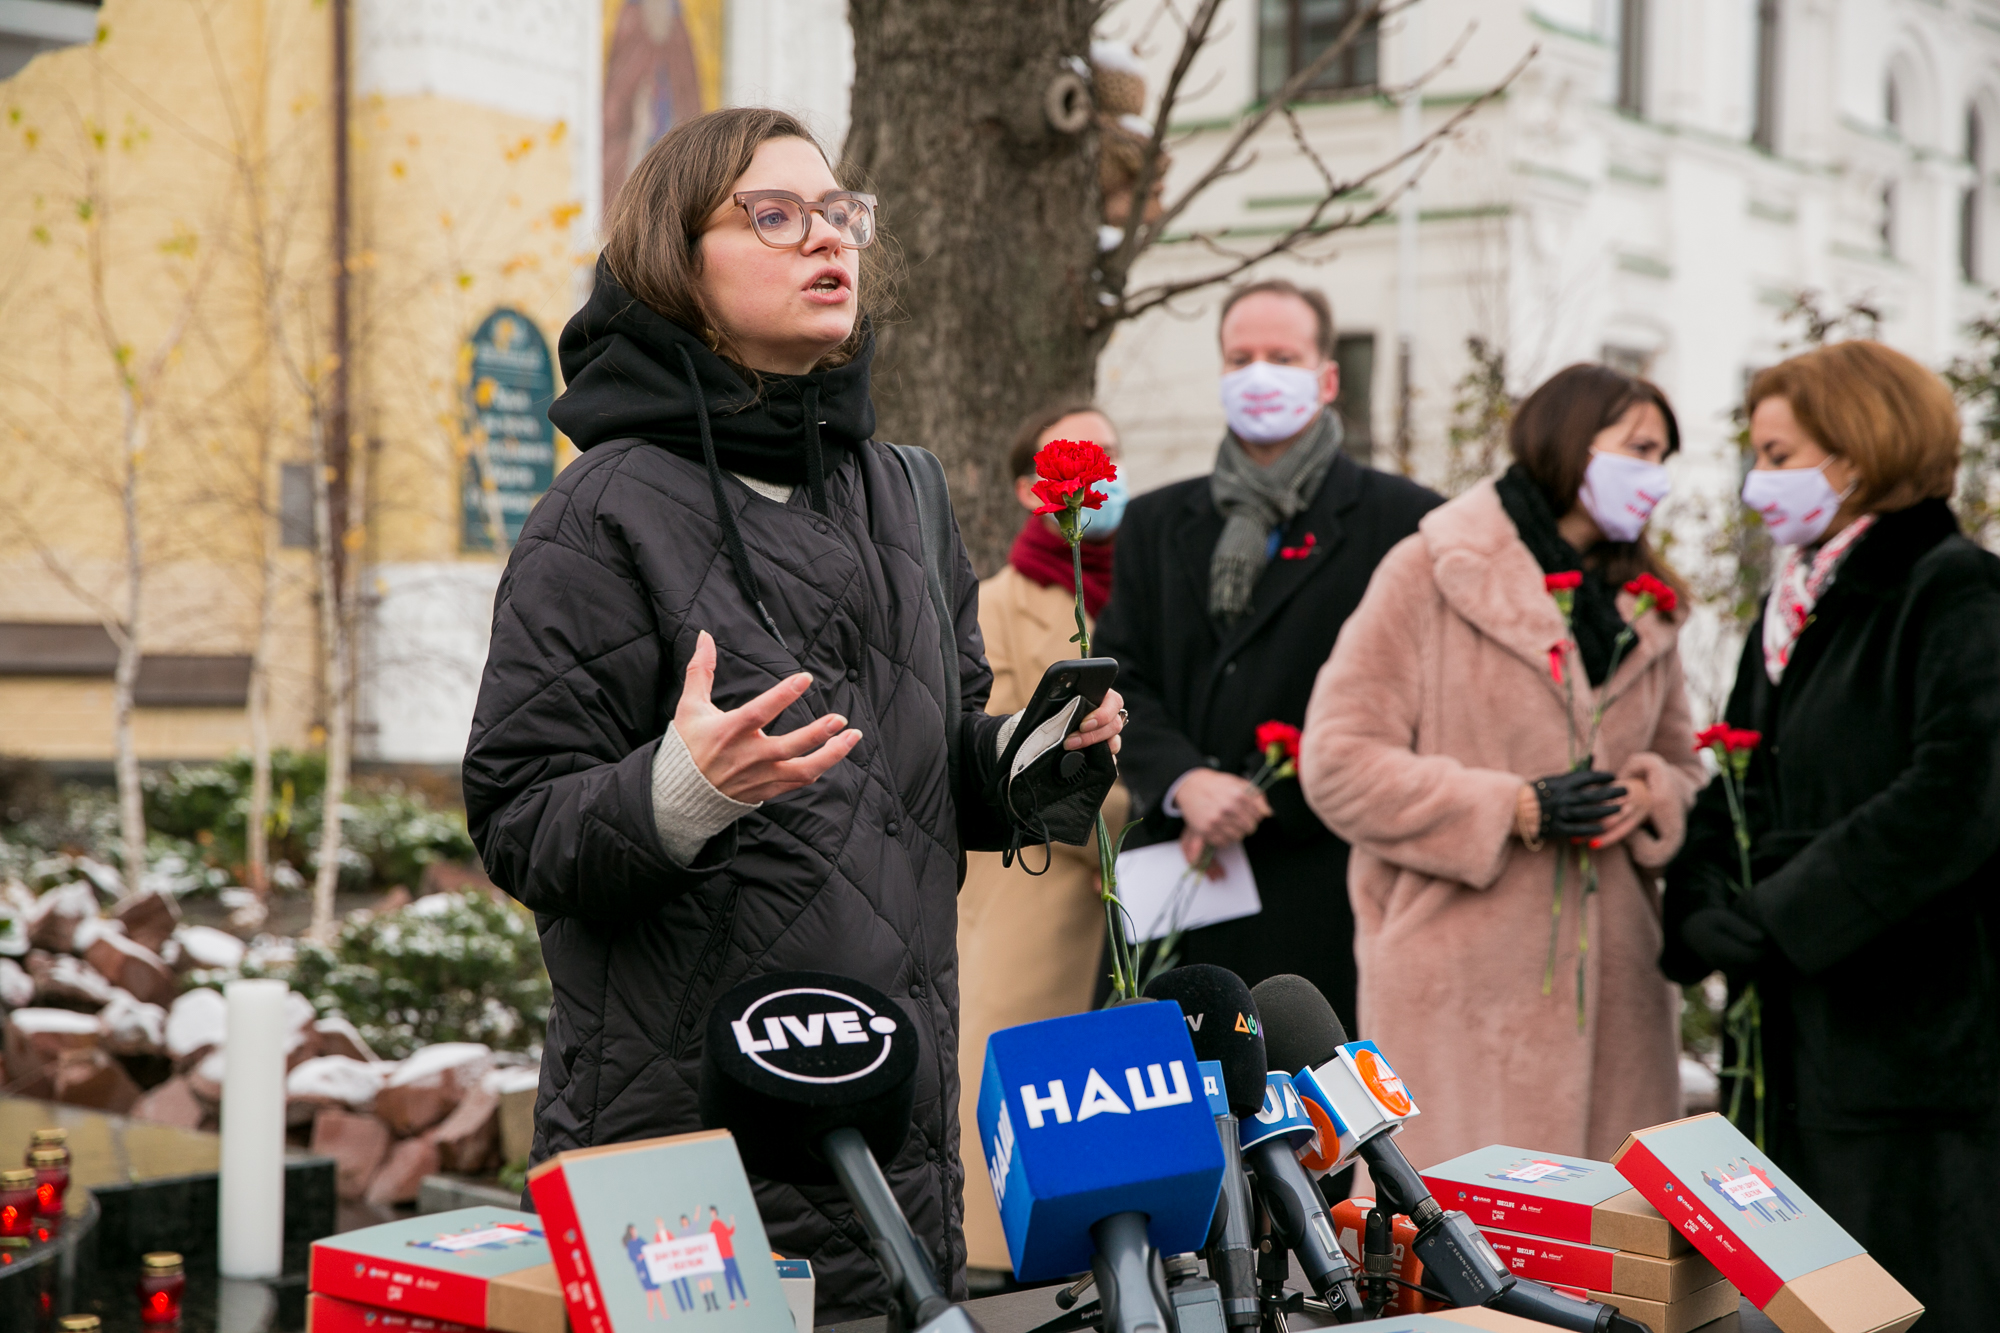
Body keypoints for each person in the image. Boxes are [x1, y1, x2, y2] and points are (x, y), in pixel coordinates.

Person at [460, 108, 1123, 1321]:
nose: (826, 241)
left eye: (838, 213)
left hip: (889, 1121)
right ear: (678, 262)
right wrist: (680, 794)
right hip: (684, 1138)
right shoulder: (600, 512)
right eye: (773, 215)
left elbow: (923, 767)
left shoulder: (907, 491)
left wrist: (1025, 765)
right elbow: (517, 819)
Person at [1662, 340, 2000, 1330]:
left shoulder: (1952, 592)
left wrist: (1777, 911)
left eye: (1778, 453)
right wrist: (1699, 901)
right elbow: (1732, 773)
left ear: (1852, 454)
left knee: (1916, 1298)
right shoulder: (1792, 604)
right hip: (1794, 1037)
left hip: (1914, 1051)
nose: (1754, 480)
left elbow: (1956, 794)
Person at [1299, 364, 1702, 1167]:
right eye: (1640, 449)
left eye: (1663, 455)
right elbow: (1336, 762)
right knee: (1463, 1261)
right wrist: (1511, 806)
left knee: (1611, 1266)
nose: (1654, 475)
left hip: (1619, 987)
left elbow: (1682, 762)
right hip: (1460, 988)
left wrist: (1647, 793)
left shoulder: (1646, 598)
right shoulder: (1431, 570)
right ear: (1570, 442)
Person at [1092, 279, 1440, 1028]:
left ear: (1327, 376)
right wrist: (1184, 779)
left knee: (1316, 1124)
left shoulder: (1405, 520)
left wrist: (1266, 790)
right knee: (1166, 1123)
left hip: (1323, 876)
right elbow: (1123, 676)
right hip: (1180, 871)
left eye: (1283, 355)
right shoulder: (1154, 522)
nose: (1259, 373)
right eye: (1240, 356)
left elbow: (1416, 698)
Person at [956, 401, 1133, 1277]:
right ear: (1038, 489)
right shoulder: (995, 602)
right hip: (1039, 885)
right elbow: (993, 752)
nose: (1107, 473)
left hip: (1149, 892)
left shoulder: (1141, 590)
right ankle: (997, 1256)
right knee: (1014, 1071)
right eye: (1084, 456)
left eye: (1112, 453)